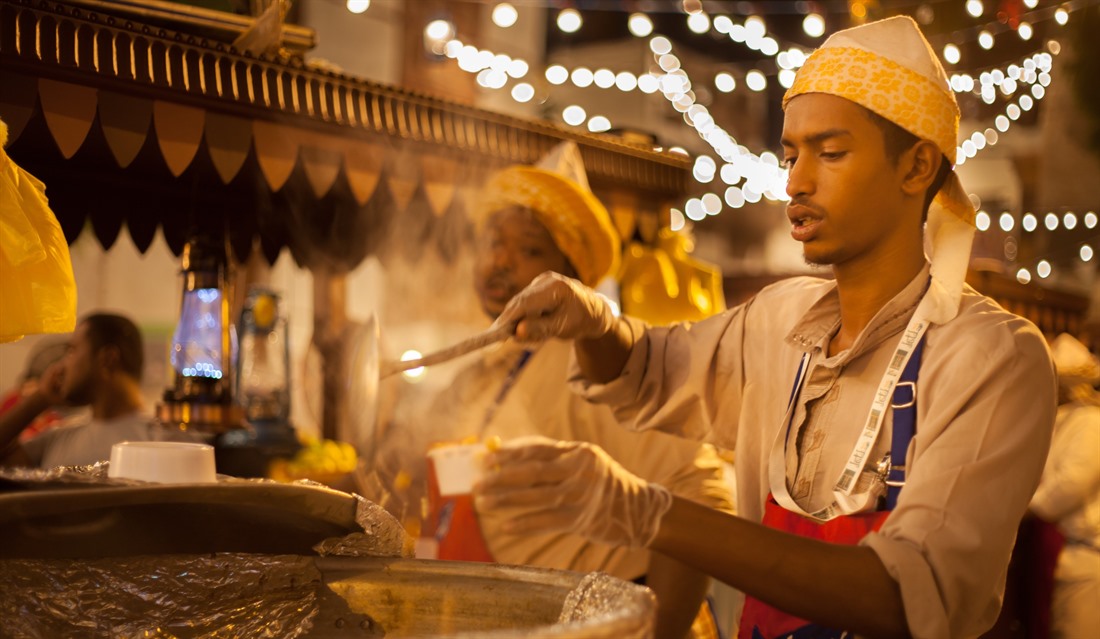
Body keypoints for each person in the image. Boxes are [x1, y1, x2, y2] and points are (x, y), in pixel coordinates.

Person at [474, 16, 1056, 639]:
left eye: (830, 153)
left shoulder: (991, 357)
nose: (797, 182)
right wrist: (592, 321)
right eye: (790, 154)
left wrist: (648, 514)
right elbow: (644, 371)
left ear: (916, 168)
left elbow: (907, 596)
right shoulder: (779, 321)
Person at [399, 145, 735, 639]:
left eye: (530, 250)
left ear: (568, 276)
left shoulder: (592, 362)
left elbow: (702, 495)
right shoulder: (490, 368)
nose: (498, 263)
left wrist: (655, 631)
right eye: (492, 242)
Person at [0, 313, 171, 468]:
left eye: (72, 351)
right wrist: (40, 398)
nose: (61, 365)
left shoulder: (164, 441)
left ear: (108, 358)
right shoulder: (58, 438)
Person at [1029, 334, 1100, 638]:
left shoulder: (1090, 421)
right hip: (1058, 551)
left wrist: (1024, 507)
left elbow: (1071, 484)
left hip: (1082, 554)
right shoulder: (1059, 419)